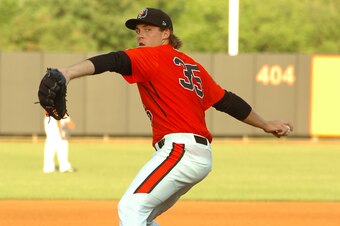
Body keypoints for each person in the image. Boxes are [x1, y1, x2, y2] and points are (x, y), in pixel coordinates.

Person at [50, 8, 292, 225]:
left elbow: (114, 60)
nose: (140, 35)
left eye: (148, 29)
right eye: (138, 30)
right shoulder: (191, 66)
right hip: (199, 155)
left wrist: (69, 72)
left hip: (180, 149)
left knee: (130, 208)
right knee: (143, 218)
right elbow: (227, 101)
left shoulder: (152, 56)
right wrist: (265, 124)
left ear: (166, 34)